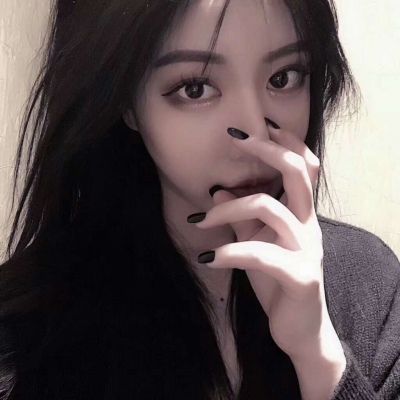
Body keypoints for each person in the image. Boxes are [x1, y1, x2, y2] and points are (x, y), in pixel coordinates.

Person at [0, 0, 399, 399]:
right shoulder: (26, 332)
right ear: (126, 102)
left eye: (284, 77)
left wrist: (319, 358)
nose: (254, 132)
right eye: (195, 88)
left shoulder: (370, 284)